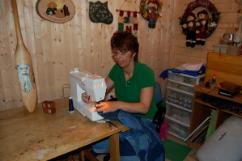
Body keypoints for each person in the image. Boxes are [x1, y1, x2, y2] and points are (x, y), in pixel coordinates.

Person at [83, 31, 165, 161]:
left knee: (127, 155)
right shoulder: (116, 69)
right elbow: (101, 90)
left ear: (133, 53)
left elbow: (143, 107)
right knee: (97, 144)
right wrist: (89, 95)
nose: (118, 57)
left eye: (123, 52)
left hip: (144, 120)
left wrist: (116, 104)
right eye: (115, 53)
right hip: (124, 117)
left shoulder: (145, 72)